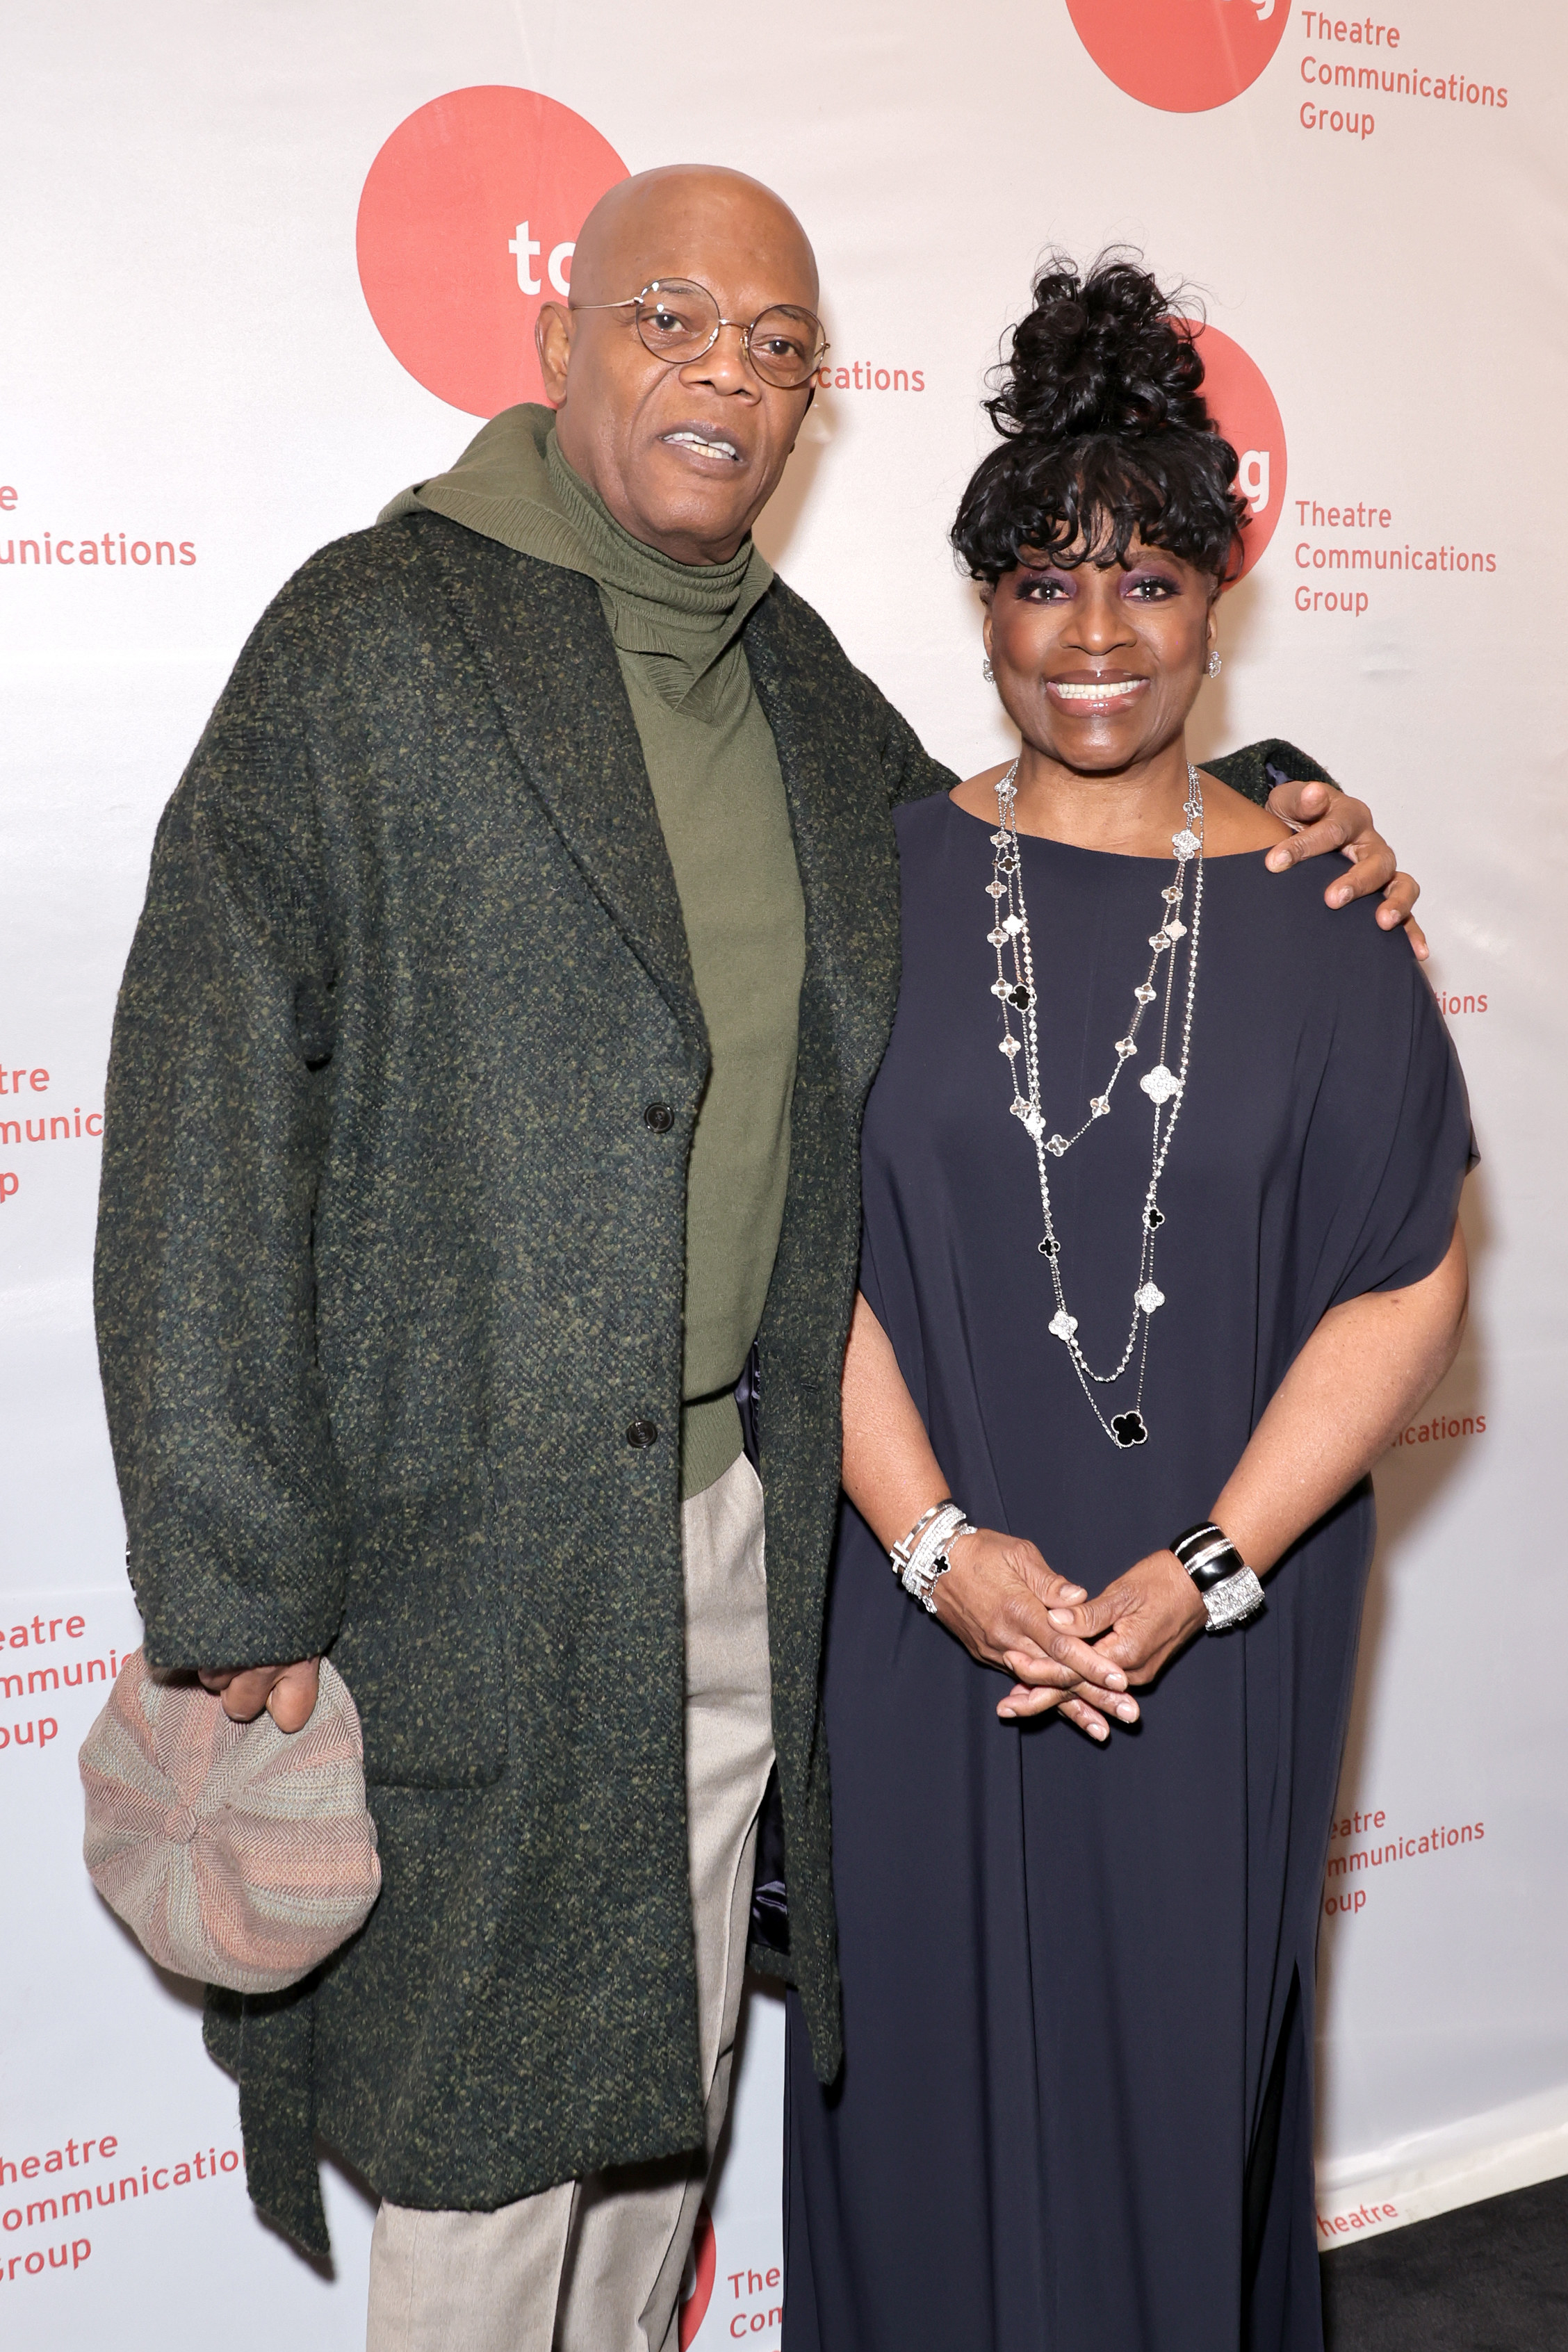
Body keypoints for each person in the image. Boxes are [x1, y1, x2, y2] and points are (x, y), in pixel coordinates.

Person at [92, 174, 1416, 2352]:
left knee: (663, 2106)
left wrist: (1271, 793)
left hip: (732, 1539)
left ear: (815, 400)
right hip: (458, 1565)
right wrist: (232, 1560)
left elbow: (1044, 858)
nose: (729, 372)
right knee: (481, 2152)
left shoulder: (798, 701)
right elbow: (208, 1094)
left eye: (780, 344)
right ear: (561, 341)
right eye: (675, 319)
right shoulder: (373, 644)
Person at [781, 256, 1473, 2352]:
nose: (1098, 638)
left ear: (1219, 606)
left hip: (1220, 1634)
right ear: (984, 608)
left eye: (1153, 582)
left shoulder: (1323, 906)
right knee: (914, 2109)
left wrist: (1196, 1574)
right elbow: (794, 1259)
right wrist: (933, 1548)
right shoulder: (870, 885)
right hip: (920, 1627)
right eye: (1048, 585)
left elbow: (1404, 1279)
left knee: (1186, 2097)